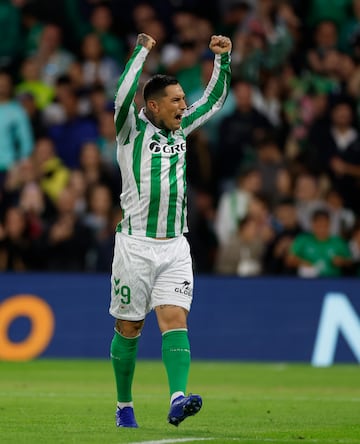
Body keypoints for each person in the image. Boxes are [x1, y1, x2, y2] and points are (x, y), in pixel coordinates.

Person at [109, 32, 231, 428]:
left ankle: (178, 398)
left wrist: (223, 61)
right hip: (135, 246)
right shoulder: (130, 130)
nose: (184, 105)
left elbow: (212, 101)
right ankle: (124, 405)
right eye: (176, 100)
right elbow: (123, 94)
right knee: (130, 327)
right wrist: (141, 51)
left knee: (175, 318)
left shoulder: (180, 129)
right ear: (153, 106)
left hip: (176, 246)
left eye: (183, 99)